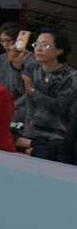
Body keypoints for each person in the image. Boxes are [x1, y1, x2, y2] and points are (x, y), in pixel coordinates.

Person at [14, 29, 77, 161]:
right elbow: (17, 91)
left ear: (60, 50)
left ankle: (26, 147)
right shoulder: (33, 68)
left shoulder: (71, 76)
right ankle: (31, 147)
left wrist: (33, 91)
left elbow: (59, 107)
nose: (39, 49)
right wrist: (17, 67)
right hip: (29, 131)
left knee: (55, 150)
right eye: (36, 45)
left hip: (55, 134)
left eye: (45, 45)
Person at [0, 22, 35, 100]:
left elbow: (21, 90)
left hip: (23, 104)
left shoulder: (31, 59)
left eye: (8, 40)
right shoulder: (0, 59)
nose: (5, 44)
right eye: (1, 41)